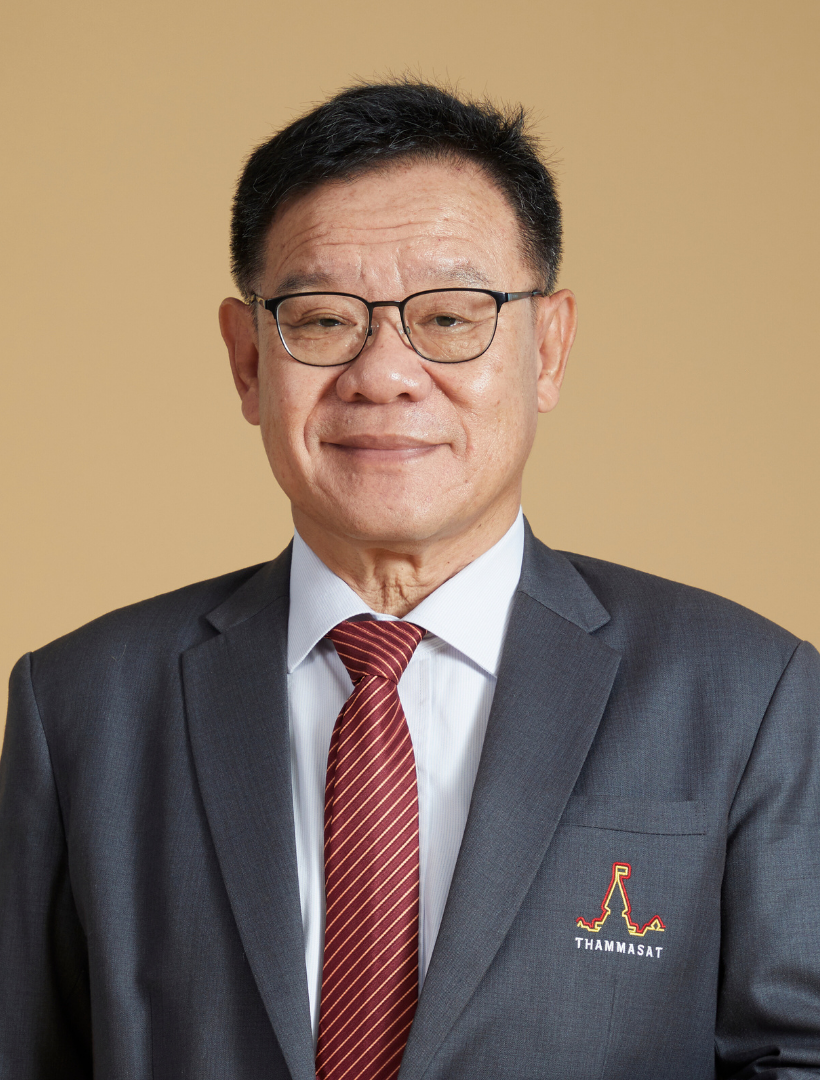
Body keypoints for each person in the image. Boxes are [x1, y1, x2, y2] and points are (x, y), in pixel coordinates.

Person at [1, 80, 819, 1080]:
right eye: (321, 320)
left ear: (549, 347)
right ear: (248, 360)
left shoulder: (749, 695)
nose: (384, 374)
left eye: (449, 317)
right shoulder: (79, 706)